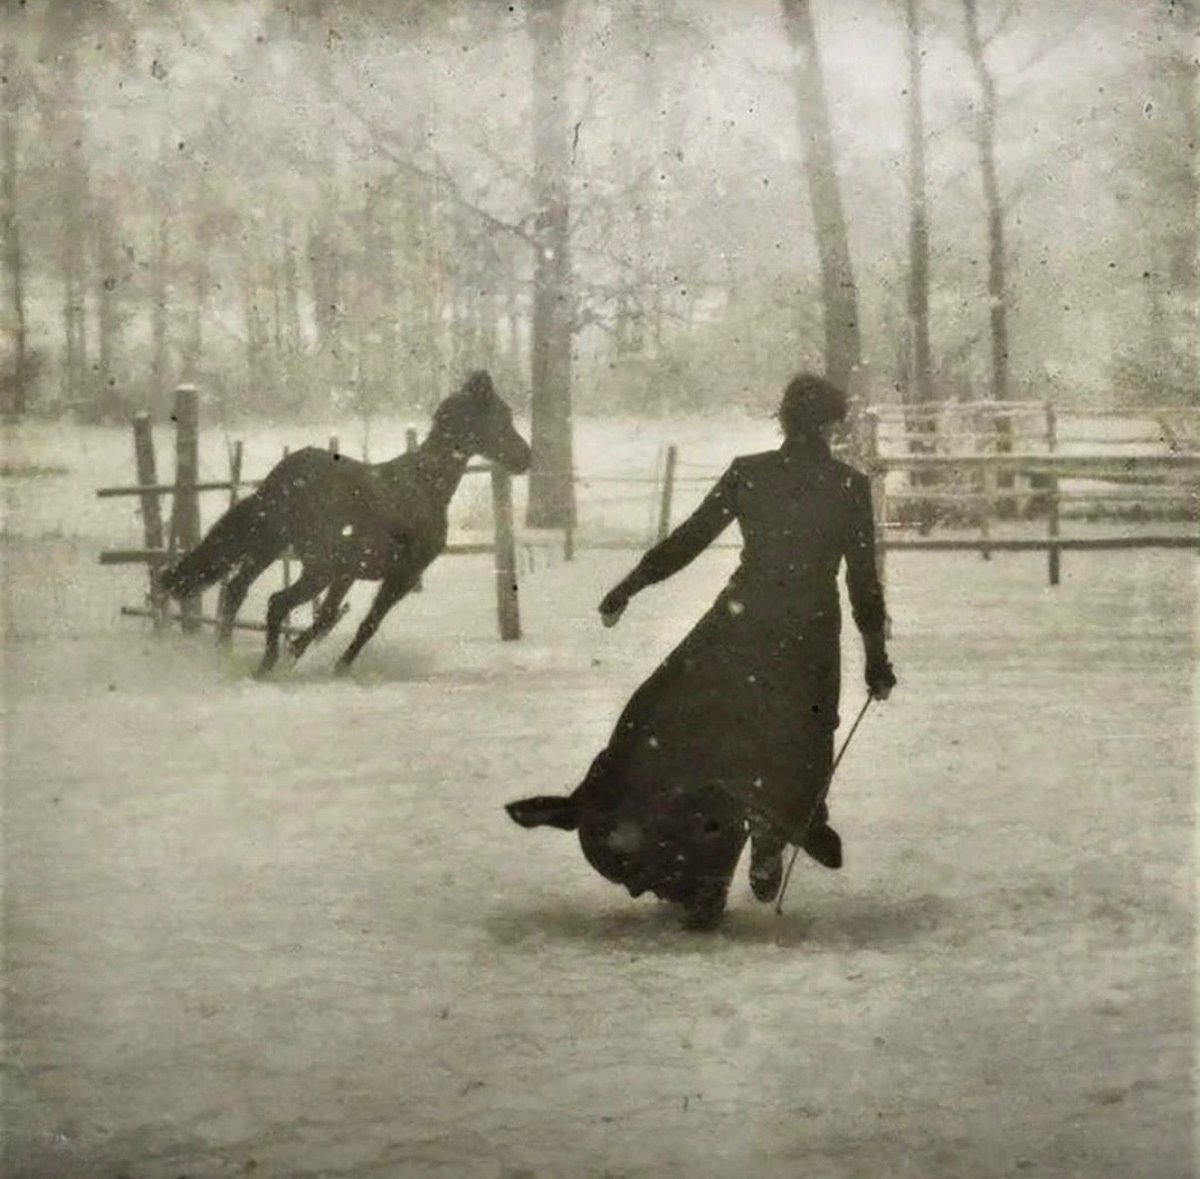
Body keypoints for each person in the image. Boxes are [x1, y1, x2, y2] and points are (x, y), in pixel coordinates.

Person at [506, 372, 897, 931]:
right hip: (806, 632)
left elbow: (690, 539)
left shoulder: (750, 474)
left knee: (681, 730)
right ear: (832, 425)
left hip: (739, 628)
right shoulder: (847, 487)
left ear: (783, 420)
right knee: (795, 741)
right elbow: (863, 582)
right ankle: (767, 836)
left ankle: (704, 857)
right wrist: (876, 655)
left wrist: (631, 584)